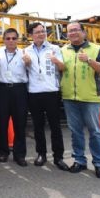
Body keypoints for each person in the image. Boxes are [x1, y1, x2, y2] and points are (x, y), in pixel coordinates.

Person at [60, 21, 100, 179]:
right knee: (75, 131)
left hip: (90, 97)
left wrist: (89, 60)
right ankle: (79, 160)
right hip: (69, 97)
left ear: (83, 32)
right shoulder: (63, 50)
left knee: (95, 131)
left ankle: (99, 163)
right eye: (69, 31)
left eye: (76, 30)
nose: (73, 33)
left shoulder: (95, 49)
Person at [24, 22, 69, 171]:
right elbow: (22, 71)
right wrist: (26, 63)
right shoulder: (26, 50)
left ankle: (58, 157)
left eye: (43, 31)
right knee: (38, 126)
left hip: (51, 92)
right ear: (31, 35)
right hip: (34, 92)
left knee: (55, 126)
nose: (41, 34)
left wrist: (57, 62)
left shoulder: (54, 48)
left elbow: (63, 68)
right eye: (37, 32)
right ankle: (41, 154)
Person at [0, 28, 31, 166]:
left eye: (14, 38)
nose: (11, 41)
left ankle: (19, 154)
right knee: (1, 122)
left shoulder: (24, 53)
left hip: (19, 90)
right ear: (3, 39)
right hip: (2, 89)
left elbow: (31, 70)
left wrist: (28, 63)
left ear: (18, 40)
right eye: (8, 38)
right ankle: (3, 152)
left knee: (20, 123)